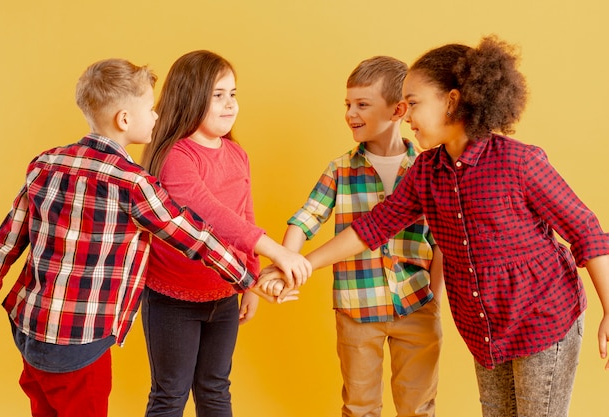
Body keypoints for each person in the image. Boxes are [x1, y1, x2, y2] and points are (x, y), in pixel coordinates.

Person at [260, 36, 609, 417]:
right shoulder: (425, 173)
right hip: (486, 329)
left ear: (453, 101)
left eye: (413, 104)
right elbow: (370, 229)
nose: (406, 116)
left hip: (544, 318)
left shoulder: (519, 162)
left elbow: (587, 231)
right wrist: (299, 264)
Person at [0, 58, 303, 417]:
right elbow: (195, 236)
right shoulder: (133, 183)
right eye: (150, 109)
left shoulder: (46, 163)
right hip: (82, 334)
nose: (156, 116)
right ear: (124, 119)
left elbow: (6, 239)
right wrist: (249, 278)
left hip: (29, 327)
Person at [262, 56, 444, 417]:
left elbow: (440, 243)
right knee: (359, 406)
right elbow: (304, 220)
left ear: (398, 110)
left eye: (362, 104)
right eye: (348, 104)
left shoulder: (427, 168)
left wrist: (434, 302)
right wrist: (285, 263)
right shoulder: (340, 170)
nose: (350, 113)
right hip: (356, 311)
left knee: (419, 406)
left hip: (417, 306)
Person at [139, 50, 307, 417]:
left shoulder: (237, 153)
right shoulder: (175, 156)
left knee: (215, 389)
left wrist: (249, 283)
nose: (230, 104)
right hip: (172, 299)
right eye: (218, 95)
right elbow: (211, 216)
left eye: (233, 94)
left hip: (224, 295)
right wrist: (279, 252)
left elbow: (244, 215)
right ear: (190, 96)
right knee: (170, 395)